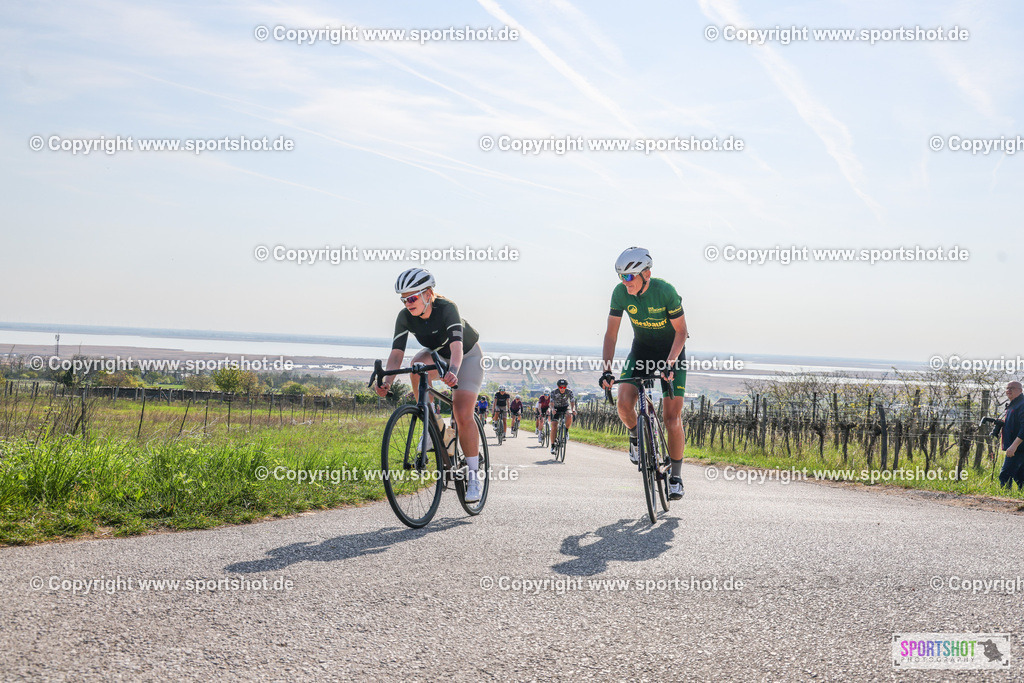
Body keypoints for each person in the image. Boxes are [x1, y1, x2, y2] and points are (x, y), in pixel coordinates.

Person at [375, 268, 486, 502]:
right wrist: (386, 381)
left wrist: (453, 372)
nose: (407, 303)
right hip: (437, 357)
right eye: (404, 299)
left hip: (467, 357)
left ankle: (474, 477)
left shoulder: (447, 309)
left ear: (428, 294)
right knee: (416, 366)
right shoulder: (405, 317)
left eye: (412, 297)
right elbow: (397, 354)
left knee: (462, 412)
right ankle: (430, 422)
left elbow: (457, 348)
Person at [599, 247, 688, 500]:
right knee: (624, 405)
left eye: (629, 277)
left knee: (672, 419)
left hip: (671, 353)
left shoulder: (665, 291)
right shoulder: (620, 294)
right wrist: (607, 369)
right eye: (621, 277)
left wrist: (670, 364)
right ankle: (635, 435)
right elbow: (611, 335)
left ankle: (676, 477)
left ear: (646, 273)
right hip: (641, 352)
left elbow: (681, 332)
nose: (624, 283)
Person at [998, 380, 1024, 490]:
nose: (1008, 390)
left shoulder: (1022, 404)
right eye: (1007, 388)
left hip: (1017, 447)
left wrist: (1013, 446)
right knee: (1020, 476)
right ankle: (1019, 498)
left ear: (1020, 390)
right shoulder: (1013, 404)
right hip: (1017, 447)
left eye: (1012, 388)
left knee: (1005, 475)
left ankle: (1005, 499)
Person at [548, 379, 576, 455]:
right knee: (554, 426)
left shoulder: (569, 392)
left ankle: (566, 431)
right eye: (561, 387)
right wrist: (553, 409)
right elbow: (551, 403)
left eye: (564, 387)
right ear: (558, 387)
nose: (562, 389)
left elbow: (572, 401)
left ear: (566, 387)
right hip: (556, 408)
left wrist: (573, 409)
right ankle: (553, 446)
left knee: (569, 414)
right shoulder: (554, 392)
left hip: (565, 407)